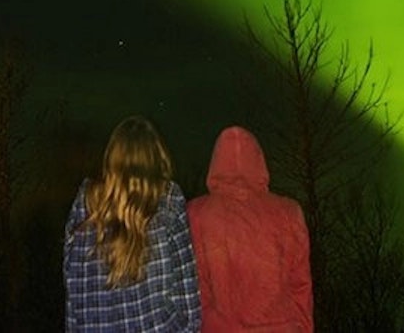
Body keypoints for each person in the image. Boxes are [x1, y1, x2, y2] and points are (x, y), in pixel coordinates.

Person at [63, 115, 202, 331]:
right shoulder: (169, 200)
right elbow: (188, 299)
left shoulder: (84, 206)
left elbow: (73, 293)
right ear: (157, 156)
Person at [187, 126, 313, 332]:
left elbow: (196, 290)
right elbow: (300, 286)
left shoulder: (196, 214)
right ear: (259, 159)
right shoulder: (289, 212)